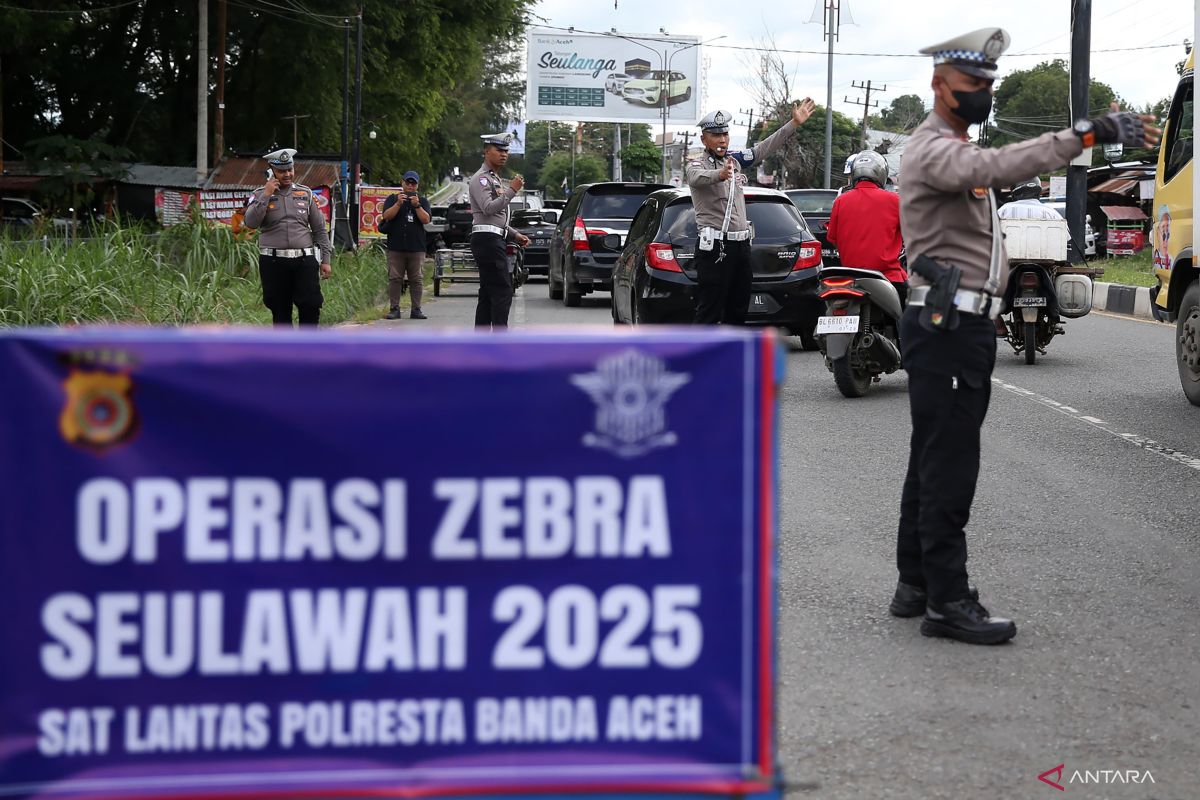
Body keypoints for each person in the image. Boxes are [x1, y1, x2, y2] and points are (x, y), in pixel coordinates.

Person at [892, 27, 1159, 645]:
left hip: (955, 321)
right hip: (948, 324)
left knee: (931, 453)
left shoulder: (951, 146)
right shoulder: (934, 150)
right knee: (951, 460)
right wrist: (1085, 135)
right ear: (939, 85)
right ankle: (948, 600)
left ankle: (915, 583)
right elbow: (997, 163)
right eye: (971, 84)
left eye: (989, 84)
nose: (982, 93)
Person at [685, 100, 816, 325]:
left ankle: (731, 357)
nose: (722, 139)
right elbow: (696, 178)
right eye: (716, 135)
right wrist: (720, 175)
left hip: (741, 246)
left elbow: (764, 147)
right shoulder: (698, 165)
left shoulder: (734, 160)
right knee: (710, 310)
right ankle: (703, 358)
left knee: (738, 308)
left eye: (725, 134)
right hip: (716, 248)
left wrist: (793, 123)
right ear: (704, 139)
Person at [243, 148, 332, 326]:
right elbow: (250, 223)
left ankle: (308, 350)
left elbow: (320, 230)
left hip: (304, 260)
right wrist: (267, 194)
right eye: (282, 171)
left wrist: (326, 259)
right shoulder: (260, 194)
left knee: (311, 305)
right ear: (271, 172)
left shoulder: (305, 193)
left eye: (290, 169)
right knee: (280, 310)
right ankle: (286, 353)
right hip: (274, 262)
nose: (287, 174)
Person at [825, 150, 908, 305]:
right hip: (886, 277)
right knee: (913, 309)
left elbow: (833, 238)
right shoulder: (894, 200)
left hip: (849, 278)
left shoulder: (840, 201)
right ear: (881, 173)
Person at [468, 132, 529, 329]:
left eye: (506, 151)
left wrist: (514, 234)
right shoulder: (482, 179)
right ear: (487, 152)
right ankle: (499, 341)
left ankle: (483, 343)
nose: (504, 154)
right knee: (503, 289)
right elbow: (488, 208)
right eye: (499, 150)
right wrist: (512, 191)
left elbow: (496, 219)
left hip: (492, 238)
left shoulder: (494, 178)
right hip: (487, 241)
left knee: (487, 292)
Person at [378, 170, 432, 320]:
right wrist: (398, 204)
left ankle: (416, 309)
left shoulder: (422, 201)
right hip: (396, 246)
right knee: (395, 278)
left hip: (416, 247)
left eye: (413, 183)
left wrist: (417, 206)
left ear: (417, 186)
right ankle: (394, 308)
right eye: (407, 182)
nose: (410, 185)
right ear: (402, 183)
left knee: (417, 278)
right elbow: (386, 216)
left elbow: (426, 220)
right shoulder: (393, 199)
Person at [996, 177, 1062, 221]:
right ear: (1038, 192)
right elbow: (1067, 238)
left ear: (1014, 193)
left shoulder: (1003, 210)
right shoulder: (1051, 213)